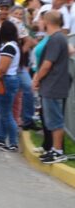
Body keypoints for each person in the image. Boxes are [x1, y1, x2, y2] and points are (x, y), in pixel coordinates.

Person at [33, 11, 70, 164]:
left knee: (55, 120)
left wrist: (36, 78)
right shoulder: (59, 38)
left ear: (47, 22)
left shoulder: (56, 39)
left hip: (53, 84)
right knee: (52, 118)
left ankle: (57, 150)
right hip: (53, 84)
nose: (40, 23)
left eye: (41, 20)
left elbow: (48, 64)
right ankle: (54, 149)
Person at [0, 21, 21, 152]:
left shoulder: (8, 47)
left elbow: (2, 68)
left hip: (5, 80)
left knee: (5, 113)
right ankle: (2, 139)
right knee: (3, 112)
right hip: (8, 80)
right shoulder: (12, 46)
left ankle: (13, 142)